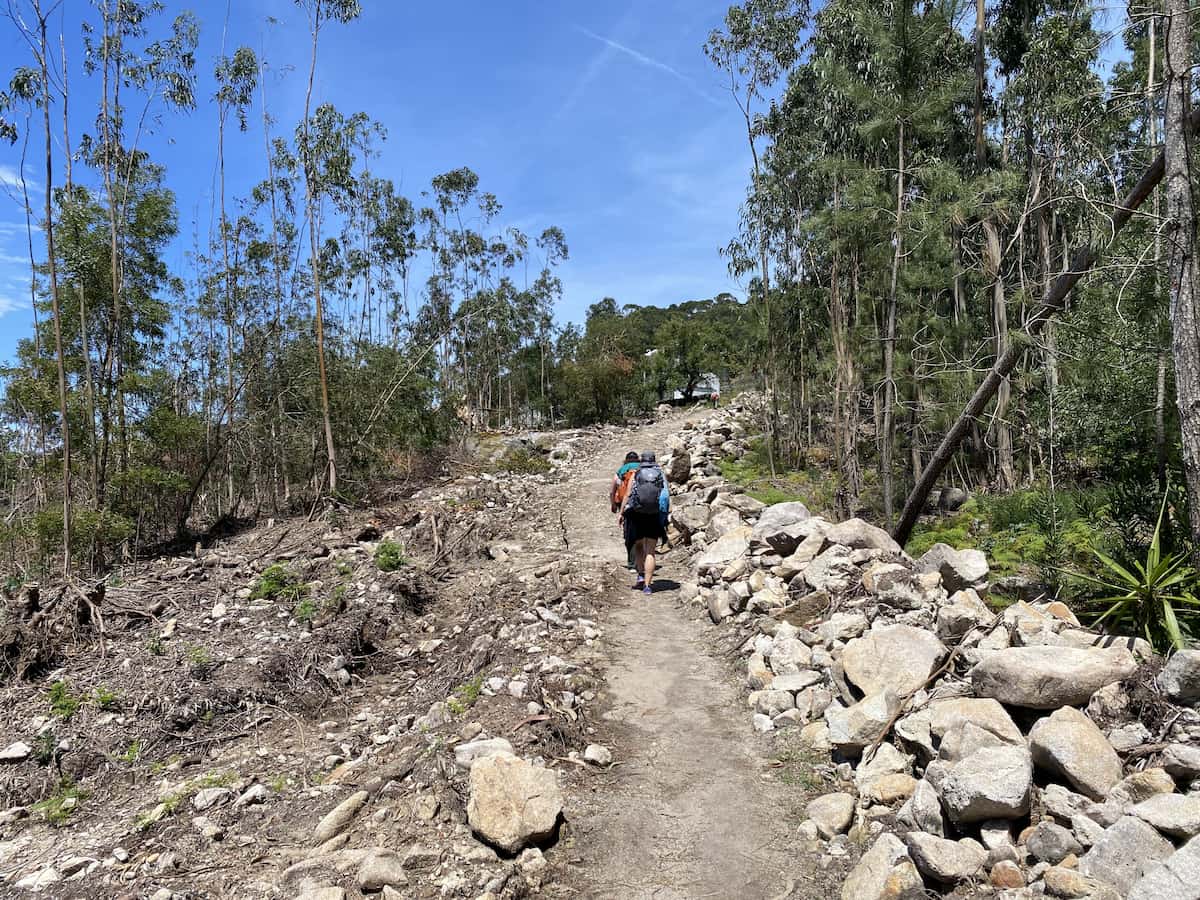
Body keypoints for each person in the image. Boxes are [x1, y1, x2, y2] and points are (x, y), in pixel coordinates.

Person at [619, 450, 670, 594]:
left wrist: (622, 513)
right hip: (654, 515)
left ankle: (640, 576)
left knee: (639, 547)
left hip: (637, 515)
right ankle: (648, 586)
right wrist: (664, 515)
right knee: (650, 552)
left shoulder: (636, 474)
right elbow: (665, 497)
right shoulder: (660, 475)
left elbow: (628, 494)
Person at [610, 451, 641, 568]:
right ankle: (642, 560)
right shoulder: (643, 469)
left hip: (626, 504)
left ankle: (632, 562)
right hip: (642, 504)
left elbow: (612, 490)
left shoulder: (621, 470)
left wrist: (613, 504)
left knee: (629, 532)